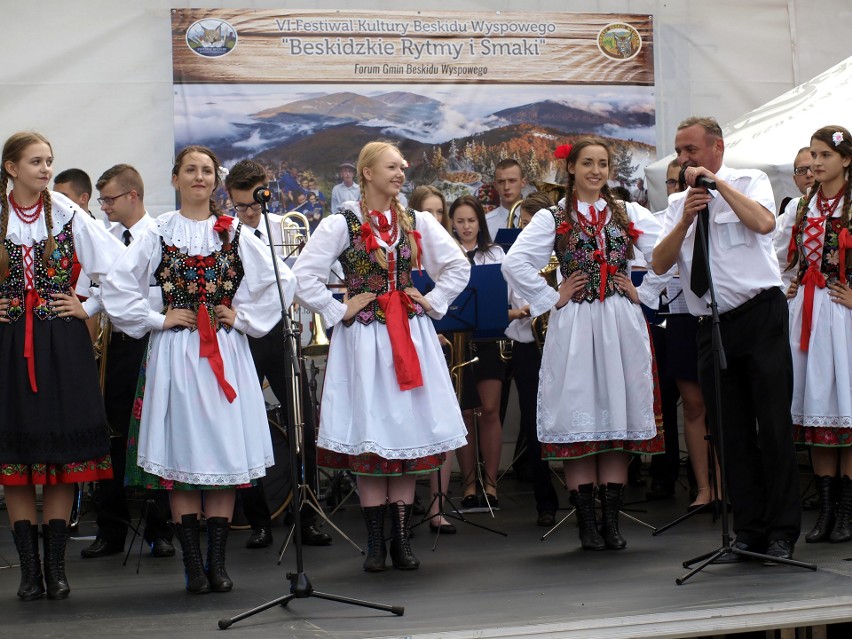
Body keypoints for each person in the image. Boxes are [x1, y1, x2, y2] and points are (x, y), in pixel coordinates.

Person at [101, 145, 295, 593]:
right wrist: (157, 318)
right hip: (177, 354)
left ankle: (217, 562)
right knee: (183, 453)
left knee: (225, 451)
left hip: (225, 354)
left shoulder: (233, 232)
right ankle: (192, 561)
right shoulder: (160, 232)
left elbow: (281, 280)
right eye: (190, 169)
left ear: (216, 181)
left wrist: (240, 317)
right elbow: (117, 284)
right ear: (175, 179)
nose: (199, 177)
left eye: (207, 170)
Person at [292, 141, 469, 572]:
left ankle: (402, 539)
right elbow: (302, 276)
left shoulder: (417, 220)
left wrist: (430, 300)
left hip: (408, 335)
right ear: (367, 172)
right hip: (366, 340)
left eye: (402, 167)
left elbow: (458, 266)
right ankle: (375, 542)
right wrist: (339, 309)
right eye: (391, 167)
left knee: (405, 431)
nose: (400, 174)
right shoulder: (343, 223)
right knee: (372, 428)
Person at [503, 137, 664, 551]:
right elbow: (514, 262)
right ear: (571, 168)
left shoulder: (628, 212)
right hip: (575, 324)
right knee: (581, 412)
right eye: (588, 163)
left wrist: (644, 293)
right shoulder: (554, 216)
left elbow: (667, 253)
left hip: (619, 322)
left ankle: (611, 522)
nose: (596, 170)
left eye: (603, 163)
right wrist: (550, 297)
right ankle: (587, 523)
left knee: (615, 414)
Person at [652, 116, 801, 563]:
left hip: (759, 316)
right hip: (710, 325)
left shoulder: (747, 180)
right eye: (679, 151)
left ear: (716, 148)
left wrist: (718, 187)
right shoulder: (678, 203)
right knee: (731, 433)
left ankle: (781, 530)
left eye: (691, 150)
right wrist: (685, 218)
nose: (683, 160)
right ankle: (749, 530)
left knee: (773, 426)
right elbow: (659, 263)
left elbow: (763, 224)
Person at [0, 131, 124, 601]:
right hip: (10, 342)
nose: (46, 169)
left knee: (60, 460)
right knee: (18, 458)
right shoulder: (0, 214)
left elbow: (118, 269)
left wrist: (88, 308)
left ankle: (55, 567)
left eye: (49, 161)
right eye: (36, 161)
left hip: (62, 344)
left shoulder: (68, 213)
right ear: (12, 167)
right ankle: (30, 572)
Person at [224, 159, 332, 549]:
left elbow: (300, 282)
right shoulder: (226, 233)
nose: (249, 213)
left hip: (281, 334)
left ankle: (308, 515)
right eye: (240, 206)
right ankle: (258, 521)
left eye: (254, 204)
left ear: (265, 190)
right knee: (245, 425)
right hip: (243, 336)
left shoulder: (283, 228)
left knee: (303, 421)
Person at [77, 164, 175, 560]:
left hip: (160, 342)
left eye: (110, 199)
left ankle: (161, 528)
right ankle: (111, 527)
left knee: (161, 432)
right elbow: (92, 291)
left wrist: (137, 304)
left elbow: (167, 294)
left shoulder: (164, 236)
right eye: (101, 200)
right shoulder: (103, 239)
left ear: (133, 195)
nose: (104, 208)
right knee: (114, 436)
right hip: (119, 345)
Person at [783, 126, 852, 545]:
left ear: (845, 160)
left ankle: (845, 511)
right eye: (813, 154)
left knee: (846, 406)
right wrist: (791, 282)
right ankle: (825, 510)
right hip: (809, 313)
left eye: (825, 155)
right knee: (817, 410)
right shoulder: (802, 205)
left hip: (843, 317)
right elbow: (782, 258)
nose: (816, 162)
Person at [449, 195, 507, 510]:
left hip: (487, 340)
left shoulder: (494, 253)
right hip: (457, 341)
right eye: (460, 221)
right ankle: (469, 484)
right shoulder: (445, 254)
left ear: (480, 223)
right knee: (465, 414)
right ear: (452, 224)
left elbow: (505, 297)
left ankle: (491, 484)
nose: (466, 227)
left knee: (490, 411)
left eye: (471, 220)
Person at [508, 192, 561, 526]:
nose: (526, 232)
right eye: (522, 225)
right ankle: (546, 502)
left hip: (563, 345)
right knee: (533, 424)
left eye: (532, 225)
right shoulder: (517, 258)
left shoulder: (561, 257)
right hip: (529, 348)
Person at [408, 183, 457, 532]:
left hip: (440, 338)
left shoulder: (440, 251)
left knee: (445, 420)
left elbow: (456, 275)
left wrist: (433, 304)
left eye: (441, 213)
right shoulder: (404, 249)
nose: (436, 220)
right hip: (409, 341)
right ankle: (405, 503)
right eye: (430, 213)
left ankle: (437, 504)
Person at [486, 159, 527, 241]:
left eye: (512, 181)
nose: (506, 187)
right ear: (495, 185)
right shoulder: (486, 223)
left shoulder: (536, 219)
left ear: (523, 182)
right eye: (501, 182)